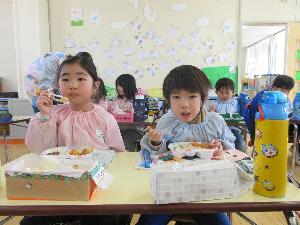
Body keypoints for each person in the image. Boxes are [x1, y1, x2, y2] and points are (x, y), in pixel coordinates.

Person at [136, 65, 235, 225]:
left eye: (192, 96)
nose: (184, 104)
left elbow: (232, 150)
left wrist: (221, 146)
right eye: (176, 97)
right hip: (169, 191)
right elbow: (152, 157)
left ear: (202, 98)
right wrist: (155, 142)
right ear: (168, 99)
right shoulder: (166, 122)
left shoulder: (215, 121)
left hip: (205, 192)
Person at [25, 54, 125, 154]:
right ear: (58, 85)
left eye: (80, 79)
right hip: (62, 168)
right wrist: (45, 115)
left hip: (98, 168)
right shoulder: (54, 114)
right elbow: (40, 150)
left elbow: (118, 153)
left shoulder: (106, 118)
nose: (72, 85)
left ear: (95, 86)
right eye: (65, 79)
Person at [243, 74, 295, 147]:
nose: (284, 93)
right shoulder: (264, 97)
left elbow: (291, 112)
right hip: (265, 127)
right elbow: (251, 113)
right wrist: (253, 136)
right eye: (282, 90)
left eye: (288, 91)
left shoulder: (285, 99)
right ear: (274, 87)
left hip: (281, 128)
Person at [210, 77, 246, 152]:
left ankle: (237, 159)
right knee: (212, 143)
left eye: (227, 92)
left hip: (232, 129)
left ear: (233, 92)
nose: (224, 95)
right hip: (218, 131)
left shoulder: (236, 103)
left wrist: (237, 115)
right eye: (221, 92)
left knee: (241, 144)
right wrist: (211, 112)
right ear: (216, 92)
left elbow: (241, 115)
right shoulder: (215, 104)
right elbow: (211, 117)